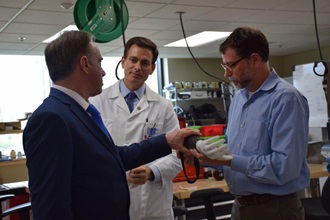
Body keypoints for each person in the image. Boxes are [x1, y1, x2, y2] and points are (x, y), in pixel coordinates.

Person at [23, 30, 200, 220]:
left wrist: (166, 141)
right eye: (99, 62)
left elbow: (112, 157)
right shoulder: (52, 118)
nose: (104, 71)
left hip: (149, 207)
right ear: (84, 64)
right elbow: (50, 207)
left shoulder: (76, 111)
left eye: (145, 63)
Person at [191, 27, 310, 220]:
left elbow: (284, 167)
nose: (226, 74)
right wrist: (208, 160)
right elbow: (236, 154)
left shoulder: (286, 99)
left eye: (231, 65)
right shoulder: (239, 98)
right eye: (224, 66)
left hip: (275, 209)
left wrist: (229, 161)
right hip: (240, 206)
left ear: (254, 59)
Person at [89, 36, 182, 220]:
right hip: (109, 201)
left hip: (152, 207)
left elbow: (177, 155)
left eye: (145, 62)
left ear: (153, 68)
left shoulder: (163, 106)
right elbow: (90, 154)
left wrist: (152, 171)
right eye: (133, 60)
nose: (138, 67)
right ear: (123, 62)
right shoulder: (97, 102)